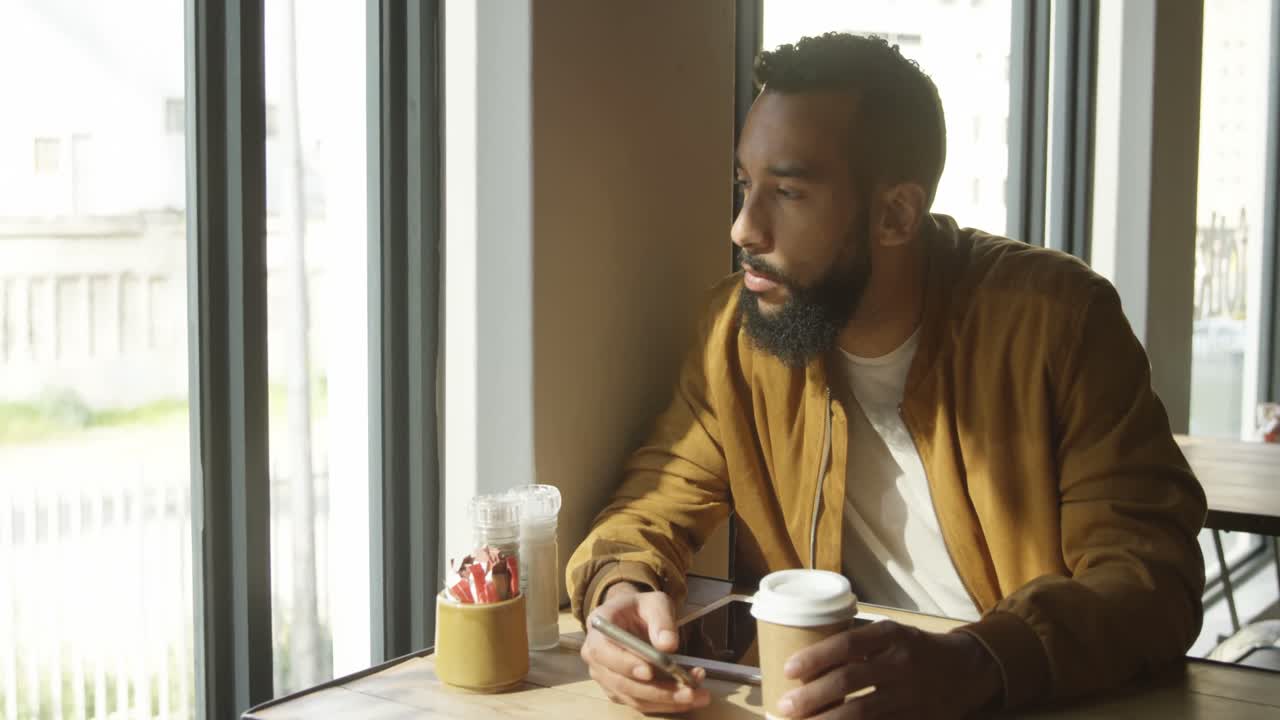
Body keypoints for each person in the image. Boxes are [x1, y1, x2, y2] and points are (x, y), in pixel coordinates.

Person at [566, 32, 1206, 719]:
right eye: (745, 185)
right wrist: (620, 594)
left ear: (895, 214)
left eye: (788, 191)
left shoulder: (1059, 322)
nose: (743, 228)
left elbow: (1149, 576)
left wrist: (978, 662)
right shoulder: (736, 335)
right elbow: (651, 504)